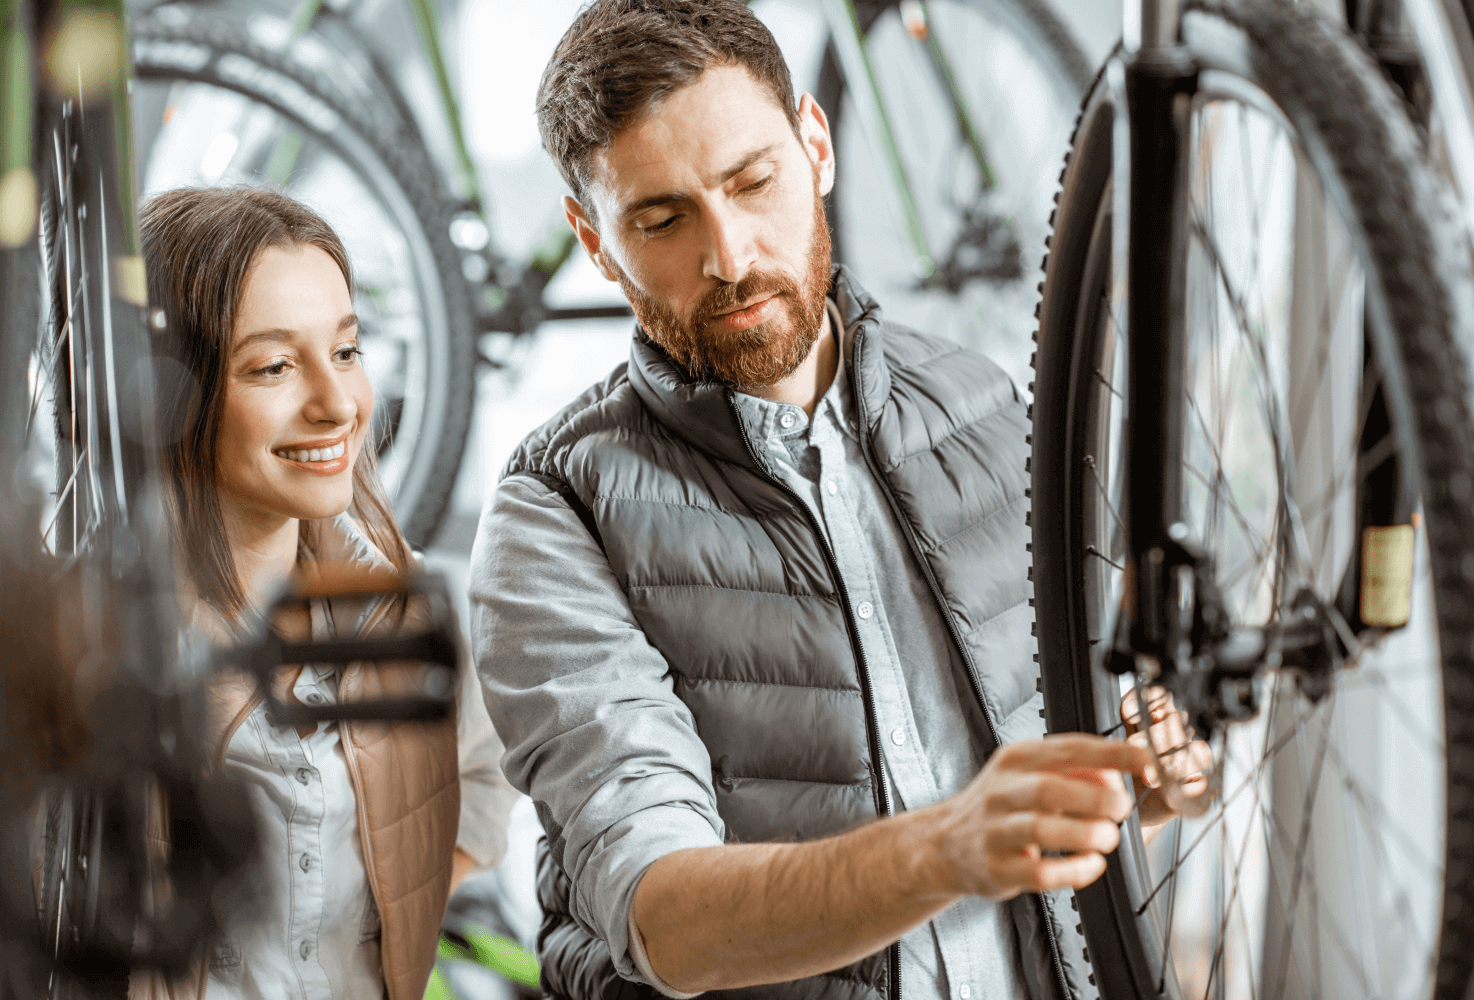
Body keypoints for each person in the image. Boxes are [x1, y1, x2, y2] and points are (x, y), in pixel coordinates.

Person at [470, 3, 1198, 999]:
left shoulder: (984, 406)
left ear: (816, 144)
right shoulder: (551, 510)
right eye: (662, 218)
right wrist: (945, 846)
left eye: (751, 181)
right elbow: (663, 920)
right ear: (592, 238)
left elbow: (1039, 832)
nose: (728, 255)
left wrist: (1131, 784)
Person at [133, 186, 517, 1000]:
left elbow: (481, 782)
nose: (339, 404)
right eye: (275, 365)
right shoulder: (100, 645)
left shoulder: (400, 600)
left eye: (346, 351)